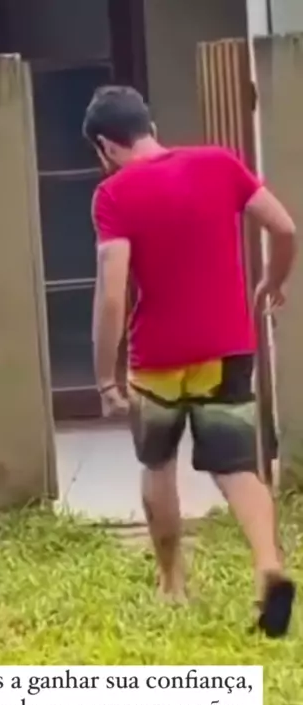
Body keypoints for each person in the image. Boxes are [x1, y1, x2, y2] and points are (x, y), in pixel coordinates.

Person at [83, 85, 297, 637]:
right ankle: (268, 566)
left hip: (157, 358)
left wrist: (105, 377)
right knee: (237, 467)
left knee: (158, 463)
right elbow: (284, 227)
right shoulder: (219, 164)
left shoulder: (113, 195)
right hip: (227, 347)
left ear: (106, 145)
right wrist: (272, 282)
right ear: (149, 126)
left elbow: (112, 293)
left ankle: (172, 584)